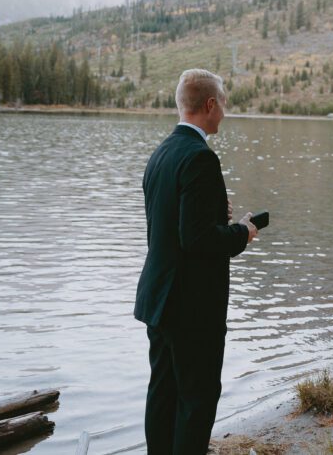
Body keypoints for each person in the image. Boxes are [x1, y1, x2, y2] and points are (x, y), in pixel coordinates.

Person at [134, 68, 259, 454]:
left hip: (159, 298)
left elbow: (171, 228)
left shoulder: (161, 153)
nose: (224, 111)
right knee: (197, 398)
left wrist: (211, 216)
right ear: (209, 105)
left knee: (163, 394)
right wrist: (242, 232)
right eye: (222, 103)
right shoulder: (201, 158)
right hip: (192, 307)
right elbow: (199, 240)